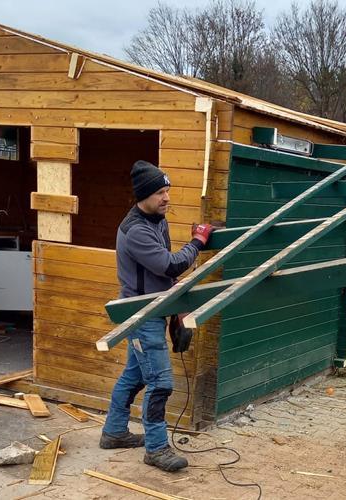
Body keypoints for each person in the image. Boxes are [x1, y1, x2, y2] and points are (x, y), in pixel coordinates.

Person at [100, 160, 214, 472]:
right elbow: (170, 265)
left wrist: (177, 303)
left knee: (134, 376)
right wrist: (198, 241)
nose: (167, 198)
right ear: (143, 195)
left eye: (168, 191)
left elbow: (162, 275)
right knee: (161, 382)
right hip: (141, 313)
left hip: (156, 306)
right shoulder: (136, 230)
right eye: (160, 192)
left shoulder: (157, 219)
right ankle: (156, 448)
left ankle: (113, 432)